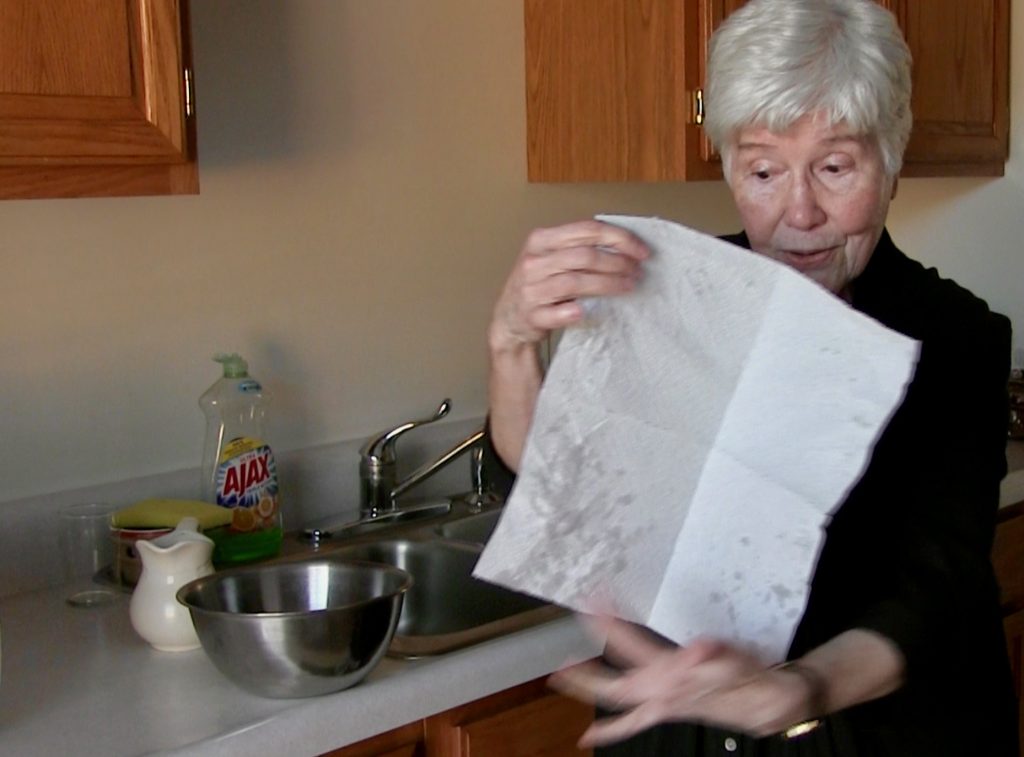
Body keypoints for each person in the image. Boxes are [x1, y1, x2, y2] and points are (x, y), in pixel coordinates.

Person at [482, 0, 1018, 754]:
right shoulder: (665, 293)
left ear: (890, 158)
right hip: (678, 730)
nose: (798, 211)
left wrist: (798, 687)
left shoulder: (957, 335)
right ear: (729, 161)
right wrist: (509, 345)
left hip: (870, 734)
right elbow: (555, 485)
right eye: (763, 169)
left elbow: (935, 586)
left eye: (835, 167)